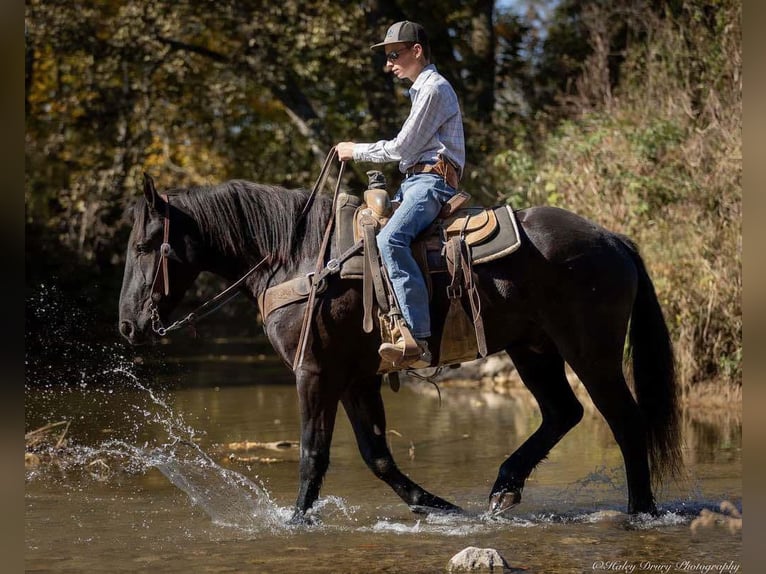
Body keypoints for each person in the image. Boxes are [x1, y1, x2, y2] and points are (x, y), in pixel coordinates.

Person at [337, 20, 465, 368]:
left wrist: (355, 150)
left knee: (390, 239)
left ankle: (417, 339)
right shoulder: (423, 90)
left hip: (431, 183)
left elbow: (401, 148)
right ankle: (389, 325)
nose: (389, 64)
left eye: (394, 55)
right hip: (414, 182)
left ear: (417, 51)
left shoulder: (434, 89)